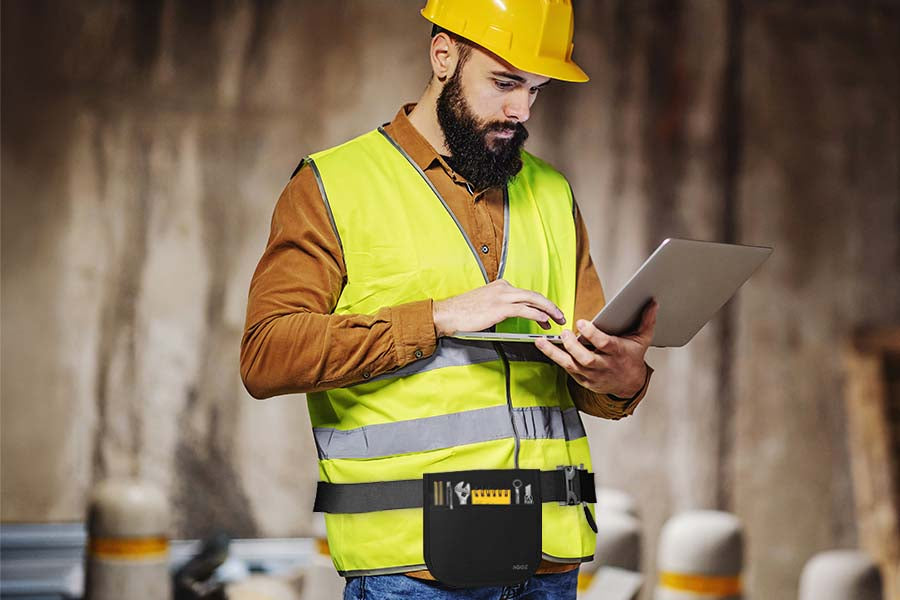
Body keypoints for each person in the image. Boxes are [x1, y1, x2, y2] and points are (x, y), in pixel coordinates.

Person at [240, 1, 657, 598]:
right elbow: (265, 356)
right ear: (443, 56)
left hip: (549, 564)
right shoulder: (333, 187)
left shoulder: (553, 195)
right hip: (414, 571)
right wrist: (436, 318)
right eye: (504, 82)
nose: (521, 109)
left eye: (535, 90)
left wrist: (621, 377)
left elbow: (588, 372)